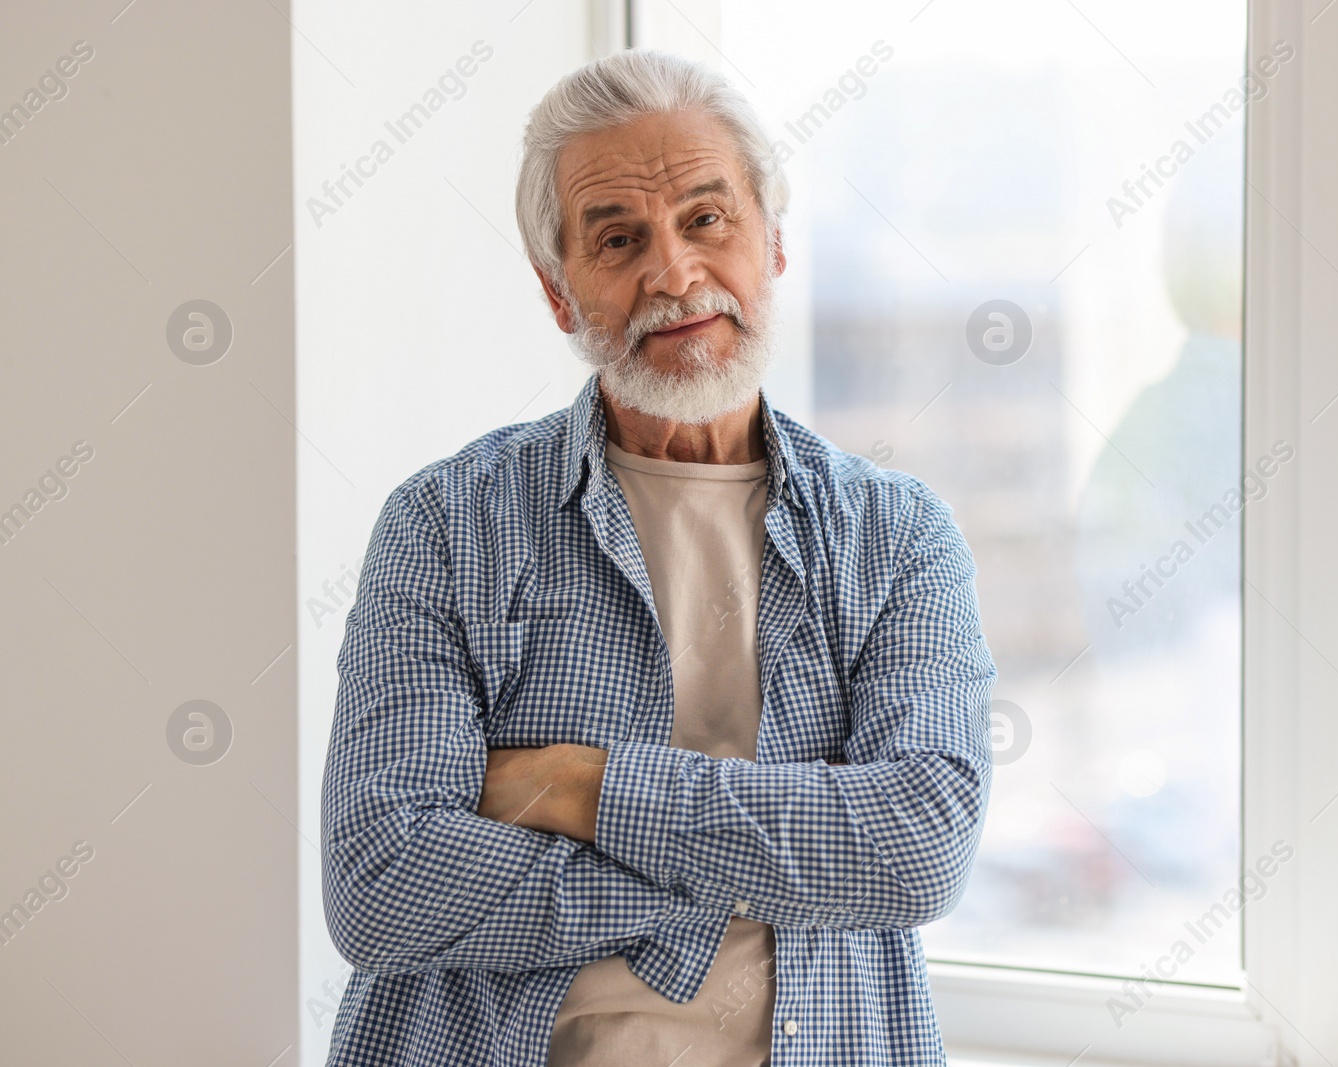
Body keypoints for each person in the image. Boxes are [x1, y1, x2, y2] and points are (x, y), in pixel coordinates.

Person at [319, 48, 995, 1066]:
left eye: (707, 219)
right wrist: (752, 869)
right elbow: (381, 880)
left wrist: (580, 786)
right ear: (559, 292)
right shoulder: (442, 526)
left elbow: (919, 845)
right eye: (618, 237)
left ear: (772, 243)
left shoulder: (898, 538)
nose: (673, 274)